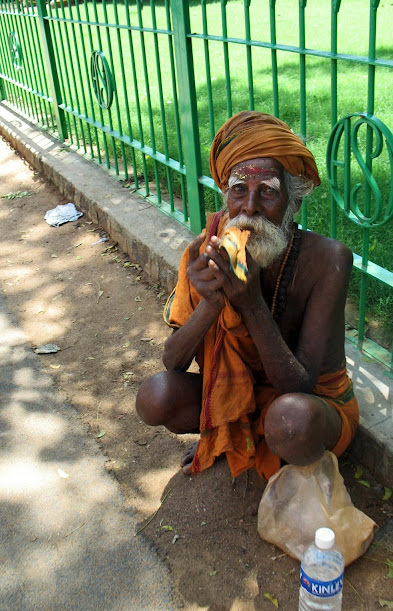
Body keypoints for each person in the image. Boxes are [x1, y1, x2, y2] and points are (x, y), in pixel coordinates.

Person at [136, 111, 359, 481]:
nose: (250, 207)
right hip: (240, 399)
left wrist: (251, 304)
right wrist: (212, 303)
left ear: (294, 203)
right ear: (226, 196)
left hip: (310, 406)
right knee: (154, 398)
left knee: (291, 421)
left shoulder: (328, 260)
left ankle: (287, 469)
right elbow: (172, 361)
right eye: (239, 189)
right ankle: (230, 433)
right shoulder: (210, 247)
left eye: (268, 192)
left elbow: (300, 385)